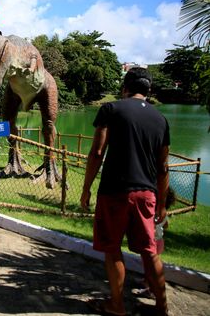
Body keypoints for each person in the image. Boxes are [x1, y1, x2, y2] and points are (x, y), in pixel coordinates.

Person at [80, 67, 170, 316]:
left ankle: (117, 305)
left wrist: (86, 189)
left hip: (114, 192)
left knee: (112, 248)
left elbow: (97, 152)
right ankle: (162, 308)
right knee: (149, 252)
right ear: (148, 91)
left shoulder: (111, 109)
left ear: (125, 87)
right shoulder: (161, 120)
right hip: (147, 194)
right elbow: (163, 168)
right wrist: (161, 203)